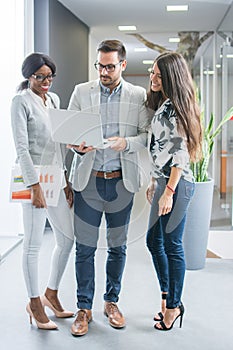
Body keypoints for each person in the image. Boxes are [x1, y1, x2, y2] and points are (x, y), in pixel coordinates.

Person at [67, 39, 149, 336]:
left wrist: (126, 142)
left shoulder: (137, 95)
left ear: (122, 65)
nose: (104, 71)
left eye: (110, 66)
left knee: (117, 247)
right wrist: (76, 146)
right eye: (100, 66)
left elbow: (146, 134)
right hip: (88, 181)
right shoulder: (81, 91)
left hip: (120, 181)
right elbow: (69, 132)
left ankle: (111, 302)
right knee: (85, 248)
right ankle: (83, 307)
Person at [11, 53, 75, 330]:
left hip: (56, 177)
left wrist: (66, 180)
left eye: (50, 76)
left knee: (67, 239)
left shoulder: (55, 100)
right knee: (33, 244)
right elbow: (22, 147)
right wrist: (33, 185)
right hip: (33, 179)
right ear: (29, 76)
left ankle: (51, 292)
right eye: (40, 77)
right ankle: (34, 301)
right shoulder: (20, 102)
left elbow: (59, 142)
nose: (46, 81)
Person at [145, 52, 202, 331]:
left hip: (177, 184)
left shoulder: (177, 108)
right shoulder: (165, 104)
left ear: (171, 77)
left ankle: (173, 307)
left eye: (158, 74)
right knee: (154, 242)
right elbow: (161, 150)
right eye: (152, 73)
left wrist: (168, 191)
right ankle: (169, 299)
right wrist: (155, 182)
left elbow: (180, 155)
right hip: (165, 182)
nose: (153, 78)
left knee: (171, 245)